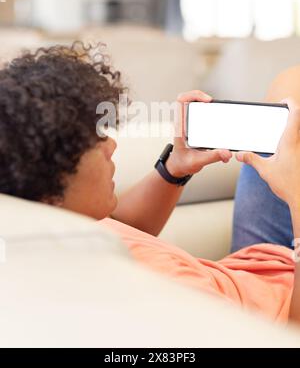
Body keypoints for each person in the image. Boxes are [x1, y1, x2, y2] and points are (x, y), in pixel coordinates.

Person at [0, 43, 297, 325]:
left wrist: (174, 168)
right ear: (53, 189)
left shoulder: (61, 221)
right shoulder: (156, 298)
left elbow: (122, 225)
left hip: (259, 264)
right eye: (91, 141)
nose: (111, 145)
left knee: (291, 85)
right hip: (288, 291)